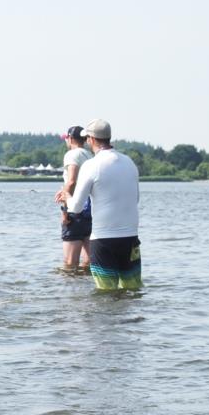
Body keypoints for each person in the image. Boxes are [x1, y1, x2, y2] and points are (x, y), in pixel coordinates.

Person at [55, 119, 141, 290]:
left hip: (104, 241)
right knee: (132, 291)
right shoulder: (129, 162)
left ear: (91, 139)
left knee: (106, 294)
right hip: (131, 239)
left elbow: (76, 207)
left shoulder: (91, 165)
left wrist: (67, 196)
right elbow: (136, 198)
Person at [58, 125, 93, 272]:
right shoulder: (91, 155)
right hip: (91, 210)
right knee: (88, 263)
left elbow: (71, 181)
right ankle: (86, 292)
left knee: (69, 264)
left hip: (75, 210)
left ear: (70, 139)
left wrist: (64, 212)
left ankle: (71, 294)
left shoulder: (72, 155)